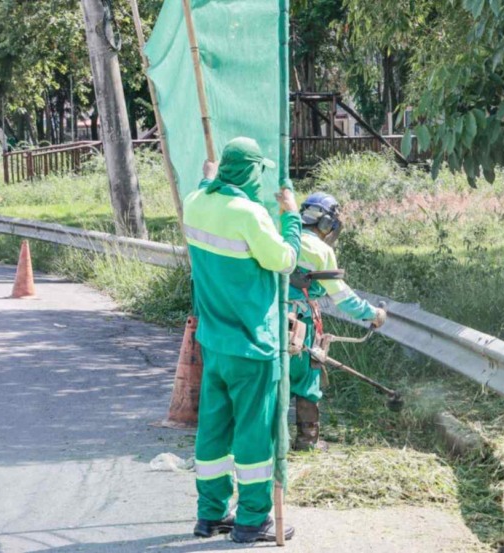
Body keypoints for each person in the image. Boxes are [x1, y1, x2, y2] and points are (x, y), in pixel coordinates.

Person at [182, 137, 300, 543]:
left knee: (213, 431)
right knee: (253, 434)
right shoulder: (250, 215)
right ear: (251, 173)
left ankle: (209, 514)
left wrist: (208, 179)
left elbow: (202, 187)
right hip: (253, 346)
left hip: (213, 343)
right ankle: (251, 520)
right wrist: (293, 217)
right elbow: (285, 259)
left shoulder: (195, 203)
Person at [288, 192, 386, 451]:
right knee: (307, 377)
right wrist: (373, 314)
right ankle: (306, 441)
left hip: (266, 317)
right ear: (327, 224)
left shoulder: (282, 235)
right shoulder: (321, 251)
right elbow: (343, 298)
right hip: (299, 322)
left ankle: (262, 440)